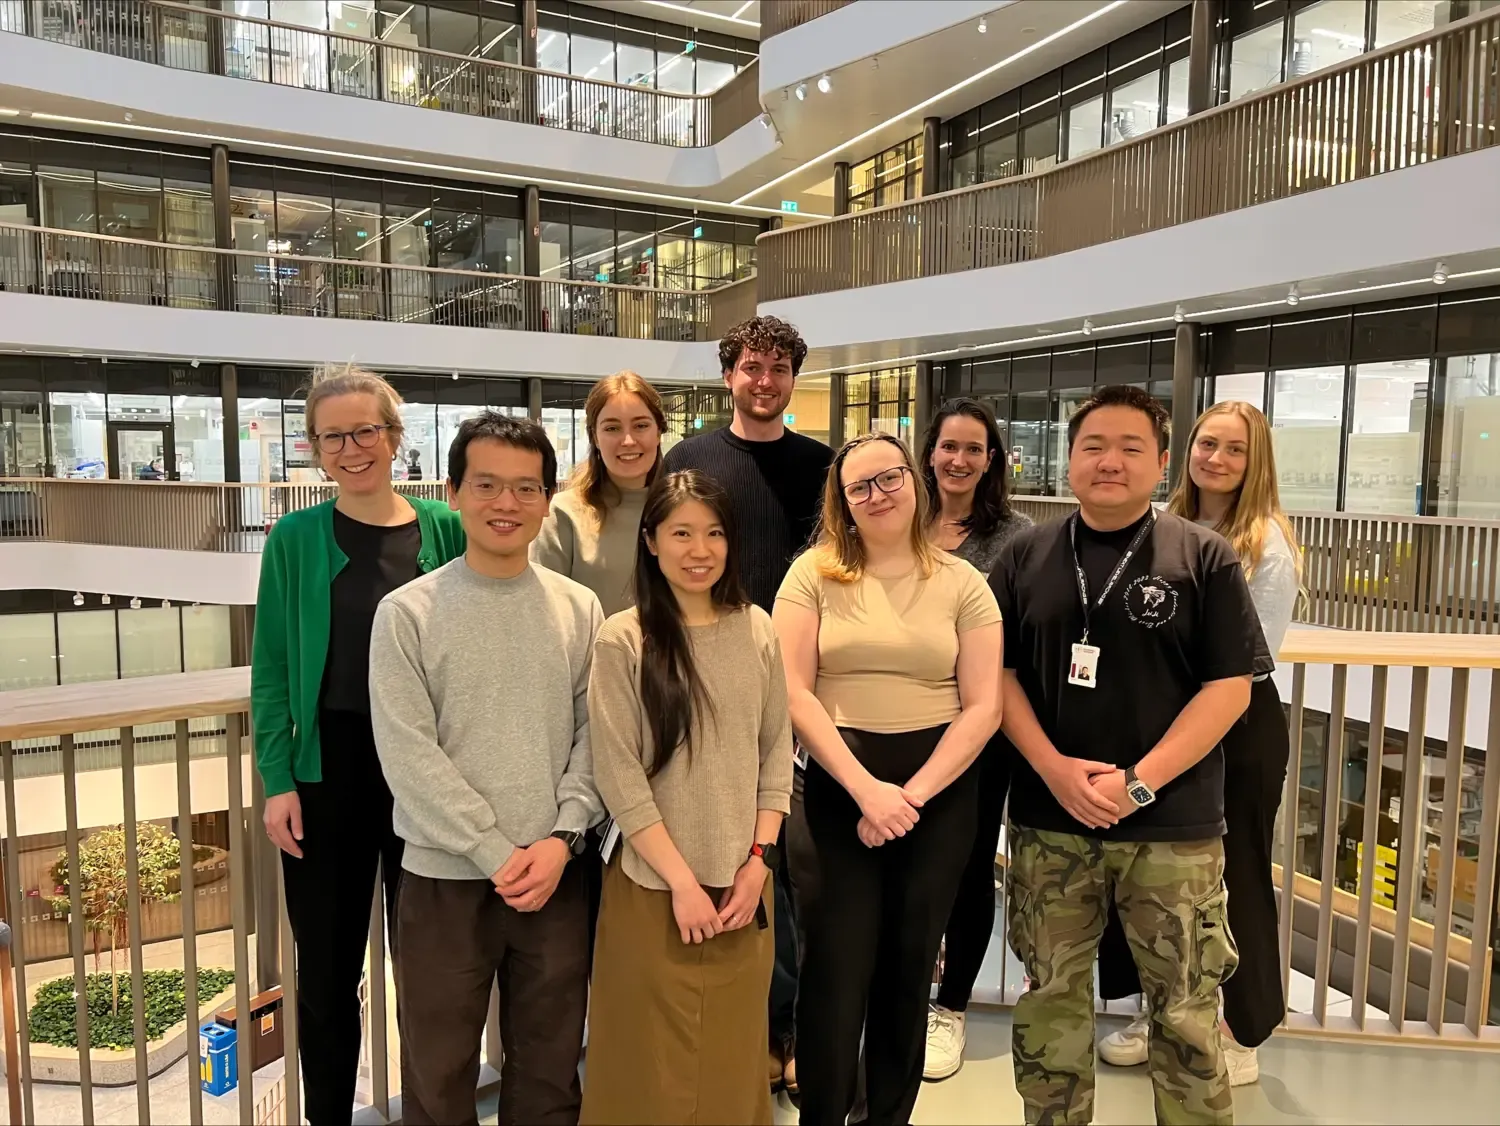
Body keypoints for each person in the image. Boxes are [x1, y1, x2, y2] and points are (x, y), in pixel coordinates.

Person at [992, 384, 1270, 1126]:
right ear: (1068, 458)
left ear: (1159, 463)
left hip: (1172, 827)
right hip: (1051, 824)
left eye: (1130, 448)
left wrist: (1139, 785)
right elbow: (999, 678)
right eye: (1093, 446)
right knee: (1050, 1004)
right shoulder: (1026, 554)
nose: (1109, 462)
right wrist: (1053, 769)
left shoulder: (1202, 555)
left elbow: (1229, 690)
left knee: (1184, 1014)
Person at [369, 412, 604, 1126]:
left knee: (551, 1070)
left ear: (547, 497)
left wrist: (561, 839)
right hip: (444, 880)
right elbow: (408, 755)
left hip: (555, 874)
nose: (507, 503)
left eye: (526, 488)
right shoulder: (405, 612)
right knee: (438, 1078)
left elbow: (597, 737)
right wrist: (496, 851)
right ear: (454, 491)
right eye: (488, 485)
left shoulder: (579, 608)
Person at [251, 366, 465, 1126]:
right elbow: (272, 669)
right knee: (328, 972)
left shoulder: (445, 528)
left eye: (365, 430)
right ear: (313, 448)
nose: (351, 448)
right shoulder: (295, 539)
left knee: (432, 970)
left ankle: (432, 1113)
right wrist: (278, 779)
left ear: (394, 437)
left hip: (425, 775)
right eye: (332, 435)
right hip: (325, 777)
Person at [773, 432, 1003, 1125]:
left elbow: (985, 704)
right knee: (834, 972)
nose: (878, 495)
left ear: (915, 479)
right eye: (860, 487)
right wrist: (866, 790)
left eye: (890, 478)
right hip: (836, 789)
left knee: (908, 969)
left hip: (936, 795)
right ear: (841, 501)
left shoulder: (963, 582)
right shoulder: (812, 574)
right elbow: (791, 691)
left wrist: (913, 795)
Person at [1097, 400, 1299, 1087]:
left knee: (1233, 874)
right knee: (1153, 872)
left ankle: (1240, 1031)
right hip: (1161, 722)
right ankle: (1160, 1013)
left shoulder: (1265, 543)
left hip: (1238, 726)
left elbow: (1249, 661)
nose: (1216, 459)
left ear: (1255, 461)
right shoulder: (1161, 529)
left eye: (1234, 449)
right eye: (1206, 443)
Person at [581, 470, 793, 1125]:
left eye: (714, 533)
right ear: (650, 542)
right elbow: (621, 781)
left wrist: (758, 862)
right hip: (653, 891)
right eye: (681, 533)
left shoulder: (756, 628)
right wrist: (682, 883)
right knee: (646, 1067)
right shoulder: (623, 638)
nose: (699, 549)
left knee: (731, 1061)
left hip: (741, 892)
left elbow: (775, 757)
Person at [664, 314, 832, 1093]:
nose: (764, 381)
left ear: (793, 378)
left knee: (791, 878)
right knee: (723, 867)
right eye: (751, 367)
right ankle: (730, 1033)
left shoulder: (822, 468)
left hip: (798, 700)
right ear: (727, 375)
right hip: (705, 695)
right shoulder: (690, 460)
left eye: (778, 369)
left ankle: (788, 1033)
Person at [917, 397, 1033, 1080]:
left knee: (965, 869)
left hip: (980, 732)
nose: (958, 460)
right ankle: (897, 993)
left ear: (991, 461)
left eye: (973, 449)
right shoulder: (897, 522)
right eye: (948, 446)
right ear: (929, 451)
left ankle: (950, 1006)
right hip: (898, 725)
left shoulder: (1015, 538)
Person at [532, 370, 666, 617]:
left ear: (658, 432)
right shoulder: (562, 515)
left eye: (640, 426)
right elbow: (542, 613)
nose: (627, 440)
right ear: (594, 436)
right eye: (612, 428)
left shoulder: (680, 510)